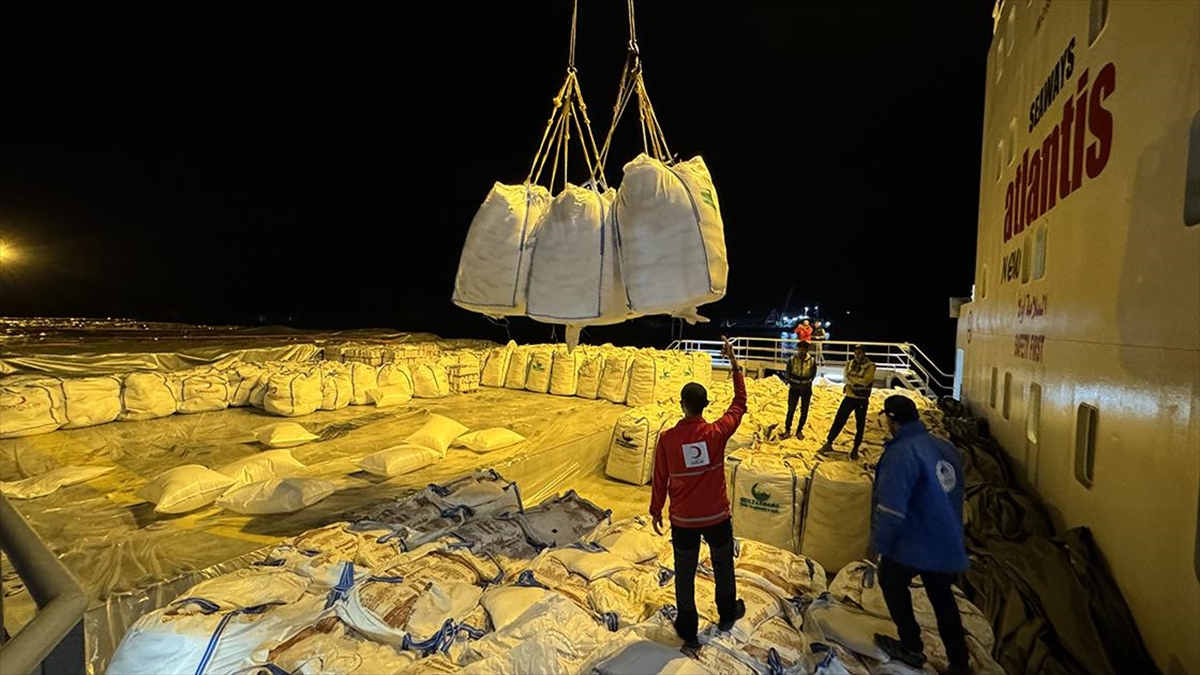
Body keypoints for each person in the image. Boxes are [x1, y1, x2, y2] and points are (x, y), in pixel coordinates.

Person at [650, 335, 748, 654]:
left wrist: (655, 510)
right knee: (722, 565)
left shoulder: (667, 439)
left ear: (682, 404)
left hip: (684, 521)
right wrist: (734, 364)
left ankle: (688, 628)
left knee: (685, 572)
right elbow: (739, 404)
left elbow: (660, 478)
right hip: (717, 516)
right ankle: (727, 613)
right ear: (705, 405)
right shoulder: (716, 433)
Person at [871, 395, 971, 675]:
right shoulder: (945, 447)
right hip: (945, 537)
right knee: (942, 597)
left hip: (915, 539)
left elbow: (891, 508)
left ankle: (912, 646)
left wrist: (880, 544)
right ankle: (959, 662)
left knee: (890, 580)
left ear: (891, 420)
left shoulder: (901, 454)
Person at [817, 343, 875, 459]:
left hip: (861, 399)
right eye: (856, 352)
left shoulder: (870, 366)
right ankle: (829, 442)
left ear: (864, 353)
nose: (857, 355)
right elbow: (845, 377)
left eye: (860, 352)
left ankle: (855, 448)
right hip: (849, 397)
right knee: (839, 419)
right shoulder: (850, 363)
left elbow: (866, 381)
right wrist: (855, 380)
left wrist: (851, 380)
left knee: (860, 424)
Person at [782, 340, 817, 439]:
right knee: (791, 410)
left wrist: (808, 382)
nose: (801, 351)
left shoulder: (812, 361)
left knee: (804, 411)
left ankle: (799, 430)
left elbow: (813, 373)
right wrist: (788, 381)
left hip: (806, 388)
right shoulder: (792, 360)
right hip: (794, 388)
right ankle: (787, 430)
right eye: (800, 348)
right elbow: (788, 371)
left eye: (803, 349)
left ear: (807, 350)